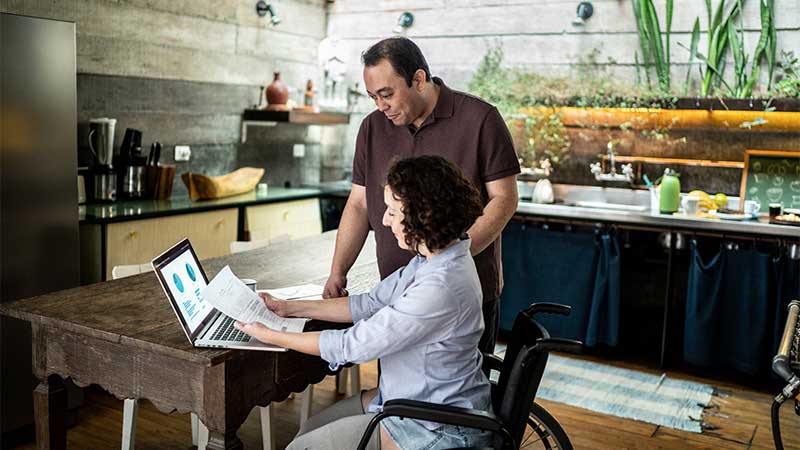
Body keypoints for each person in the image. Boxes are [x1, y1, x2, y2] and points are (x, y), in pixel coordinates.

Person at [236, 155, 493, 450]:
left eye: (393, 213)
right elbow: (368, 304)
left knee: (300, 448)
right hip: (412, 398)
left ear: (425, 215)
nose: (384, 221)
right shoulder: (434, 259)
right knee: (308, 429)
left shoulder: (440, 287)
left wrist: (271, 336)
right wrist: (287, 307)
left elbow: (352, 345)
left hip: (434, 426)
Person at [323, 37, 520, 354]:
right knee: (401, 392)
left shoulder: (480, 119)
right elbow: (359, 204)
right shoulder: (372, 127)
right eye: (373, 97)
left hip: (461, 293)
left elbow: (505, 200)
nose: (380, 105)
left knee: (457, 395)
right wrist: (337, 271)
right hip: (395, 292)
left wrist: (450, 261)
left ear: (418, 79)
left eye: (387, 94)